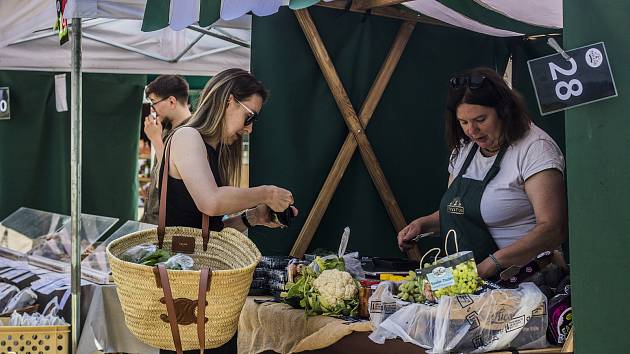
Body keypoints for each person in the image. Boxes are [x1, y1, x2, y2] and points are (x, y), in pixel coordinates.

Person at [159, 68, 297, 354]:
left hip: (203, 289)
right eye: (250, 117)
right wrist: (267, 193)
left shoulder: (210, 150)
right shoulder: (187, 137)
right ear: (228, 101)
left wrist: (252, 218)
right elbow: (210, 202)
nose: (249, 128)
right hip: (187, 291)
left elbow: (209, 230)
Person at [397, 67, 567, 279]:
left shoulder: (535, 149)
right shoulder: (464, 148)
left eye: (480, 120)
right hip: (469, 277)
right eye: (463, 122)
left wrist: (492, 263)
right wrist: (423, 224)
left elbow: (552, 229)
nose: (471, 130)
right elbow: (460, 211)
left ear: (505, 111)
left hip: (525, 280)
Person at [141, 75, 192, 224]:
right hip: (154, 219)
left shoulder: (193, 132)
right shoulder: (166, 129)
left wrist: (156, 140)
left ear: (171, 101)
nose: (153, 109)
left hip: (172, 225)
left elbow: (177, 176)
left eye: (154, 103)